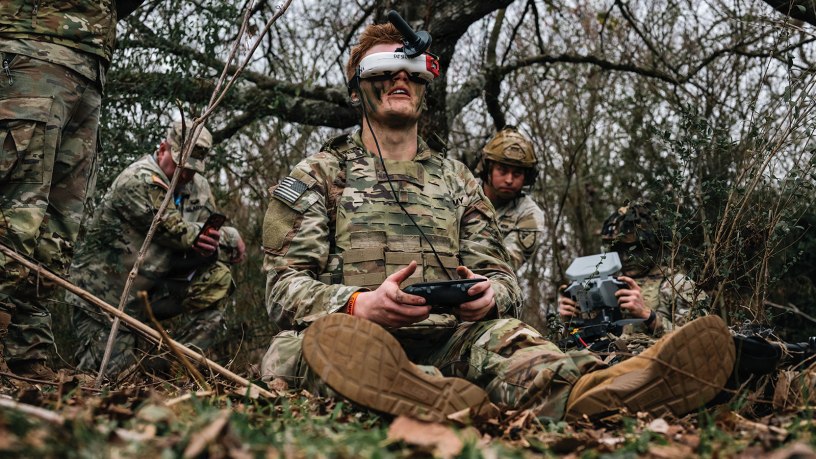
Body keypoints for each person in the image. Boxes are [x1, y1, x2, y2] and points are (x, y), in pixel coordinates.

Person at [259, 21, 735, 422]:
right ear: (358, 86)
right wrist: (359, 304)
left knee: (515, 341)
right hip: (355, 339)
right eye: (385, 70)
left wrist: (490, 297)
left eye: (411, 71)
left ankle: (600, 389)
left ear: (424, 85)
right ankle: (428, 390)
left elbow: (503, 280)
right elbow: (282, 289)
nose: (400, 78)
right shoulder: (318, 175)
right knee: (304, 349)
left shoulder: (459, 182)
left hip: (451, 340)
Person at [0, 1, 146, 379]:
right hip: (32, 46)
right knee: (16, 213)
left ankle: (26, 353)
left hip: (90, 62)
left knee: (57, 231)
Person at [65, 122, 246, 377]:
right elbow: (178, 233)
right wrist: (230, 236)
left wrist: (215, 242)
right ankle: (137, 371)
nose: (186, 175)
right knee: (110, 380)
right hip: (105, 300)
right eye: (181, 166)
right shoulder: (138, 179)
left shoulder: (199, 188)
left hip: (154, 289)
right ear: (162, 150)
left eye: (193, 169)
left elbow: (204, 238)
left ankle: (171, 367)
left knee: (218, 278)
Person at [558, 201, 707, 338]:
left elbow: (700, 340)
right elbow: (578, 341)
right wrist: (569, 323)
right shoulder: (604, 286)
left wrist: (649, 316)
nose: (626, 257)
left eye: (635, 250)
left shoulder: (678, 284)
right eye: (620, 250)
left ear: (652, 246)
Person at [477, 127, 546, 272]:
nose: (509, 180)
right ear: (488, 169)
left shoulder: (529, 214)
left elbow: (505, 264)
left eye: (517, 173)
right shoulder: (460, 192)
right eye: (502, 170)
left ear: (526, 178)